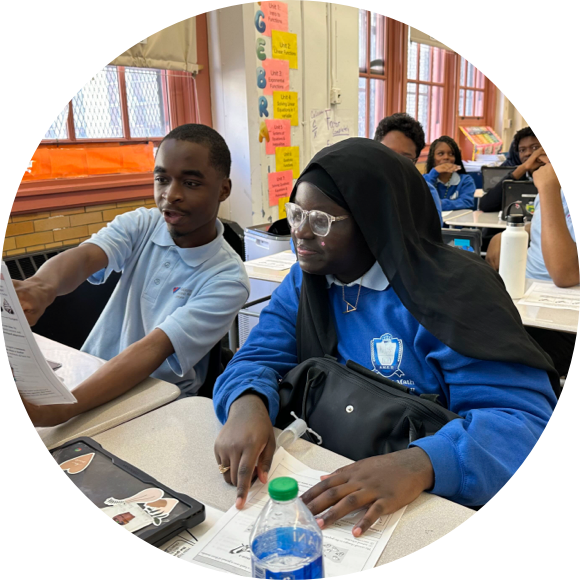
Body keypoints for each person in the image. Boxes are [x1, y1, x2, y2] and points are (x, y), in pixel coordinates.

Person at [212, 138, 558, 536]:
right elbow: (258, 356)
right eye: (296, 214)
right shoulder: (308, 280)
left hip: (432, 503)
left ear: (376, 222)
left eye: (321, 221)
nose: (300, 234)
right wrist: (246, 402)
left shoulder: (453, 294)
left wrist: (422, 463)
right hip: (331, 469)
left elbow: (527, 427)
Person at [14, 124, 250, 427]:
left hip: (157, 406)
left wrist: (65, 408)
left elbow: (152, 349)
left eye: (191, 183)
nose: (171, 194)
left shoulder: (227, 278)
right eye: (162, 179)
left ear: (224, 189)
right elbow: (86, 256)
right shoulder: (143, 223)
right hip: (91, 378)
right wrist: (40, 287)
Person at [486, 155, 578, 378]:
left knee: (496, 360)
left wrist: (548, 188)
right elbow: (552, 228)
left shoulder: (553, 182)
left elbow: (563, 273)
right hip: (527, 296)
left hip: (561, 316)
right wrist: (515, 232)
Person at [374, 113, 443, 224]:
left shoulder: (426, 193)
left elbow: (431, 238)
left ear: (415, 161)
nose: (394, 163)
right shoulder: (360, 187)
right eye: (387, 154)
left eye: (404, 159)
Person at [479, 127, 544, 213]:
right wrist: (522, 169)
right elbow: (486, 205)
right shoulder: (518, 174)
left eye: (535, 148)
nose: (528, 153)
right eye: (522, 150)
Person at [424, 136, 476, 211]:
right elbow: (422, 199)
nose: (446, 157)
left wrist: (438, 204)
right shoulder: (425, 178)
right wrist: (434, 172)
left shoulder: (466, 180)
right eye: (440, 154)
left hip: (456, 222)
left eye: (451, 154)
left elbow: (466, 202)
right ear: (432, 158)